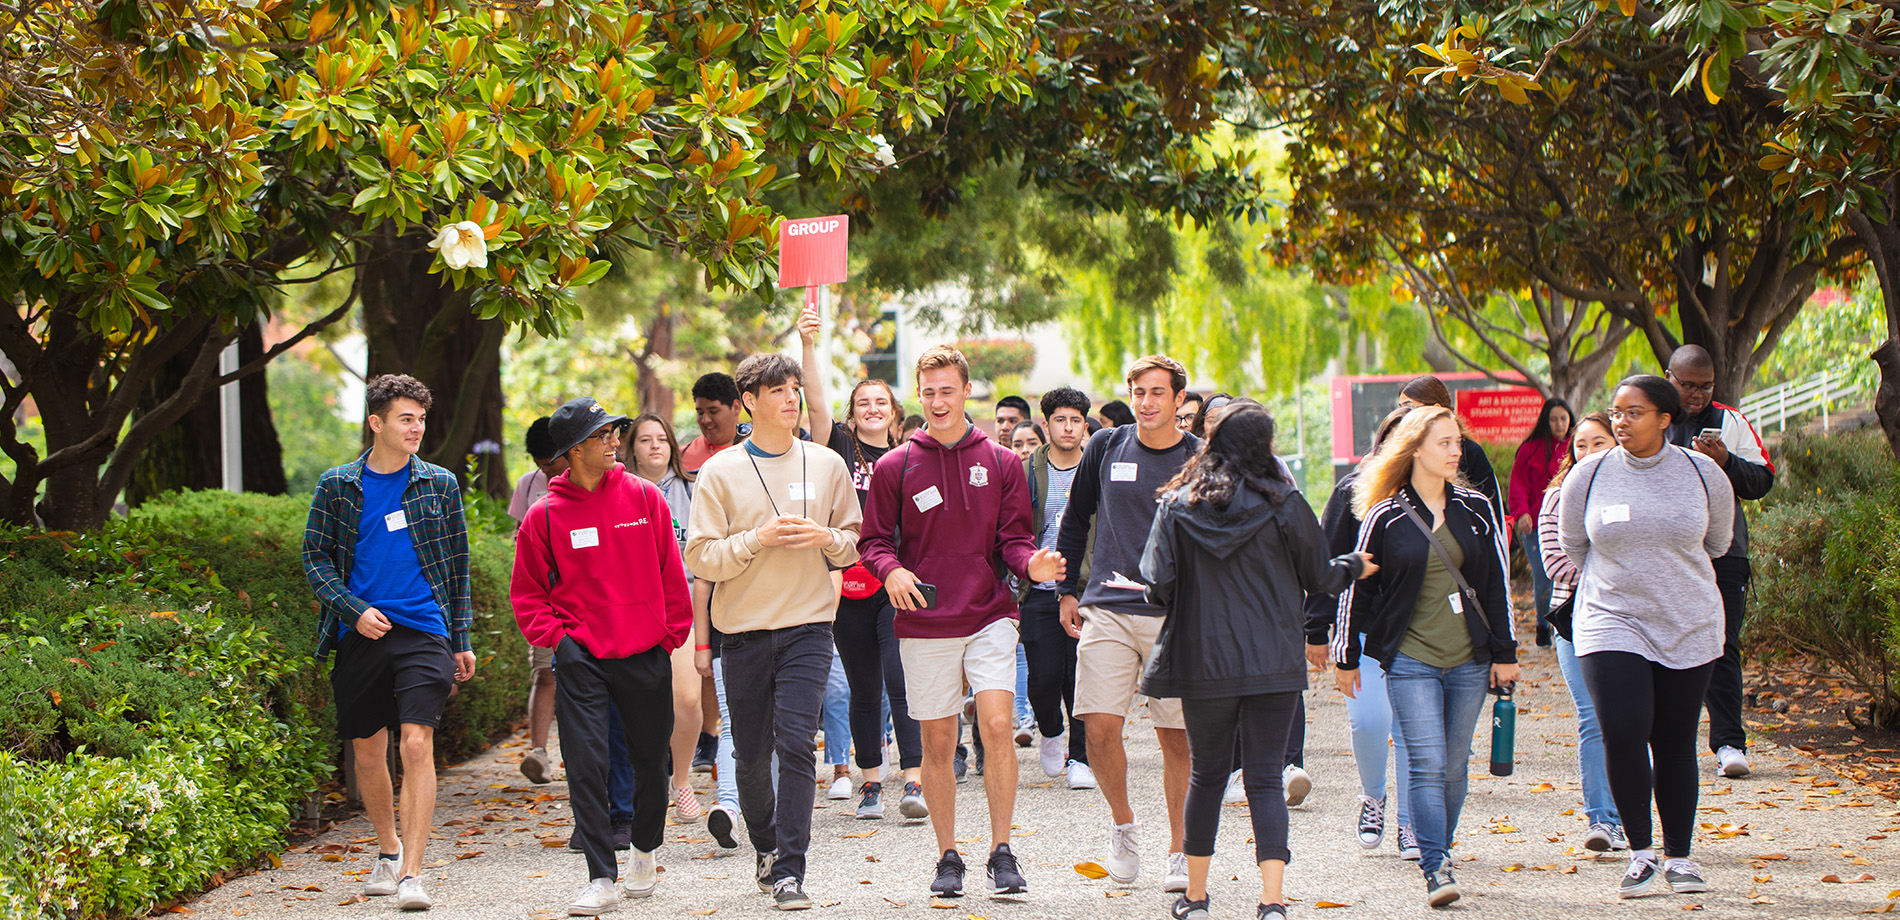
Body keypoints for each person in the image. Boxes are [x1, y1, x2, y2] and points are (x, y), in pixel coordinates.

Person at [1140, 402, 1375, 920]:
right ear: (1264, 446)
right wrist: (1353, 564)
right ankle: (1272, 901)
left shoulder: (1178, 505)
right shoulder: (1285, 503)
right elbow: (1320, 576)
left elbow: (1157, 587)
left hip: (1203, 663)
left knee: (1206, 774)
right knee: (1265, 778)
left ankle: (1196, 897)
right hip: (1273, 661)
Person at [858, 344, 1066, 900]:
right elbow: (872, 542)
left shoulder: (1000, 461)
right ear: (918, 395)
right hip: (923, 618)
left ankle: (1002, 850)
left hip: (989, 613)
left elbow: (1016, 540)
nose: (937, 401)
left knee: (998, 724)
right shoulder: (895, 466)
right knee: (939, 740)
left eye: (947, 390)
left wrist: (1034, 565)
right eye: (928, 392)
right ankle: (948, 856)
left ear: (966, 390)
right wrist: (892, 571)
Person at [685, 352, 862, 910]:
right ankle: (764, 843)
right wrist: (757, 540)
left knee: (795, 745)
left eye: (795, 388)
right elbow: (702, 558)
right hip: (742, 632)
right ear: (749, 402)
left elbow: (854, 542)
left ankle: (790, 868)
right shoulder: (719, 471)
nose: (792, 398)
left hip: (809, 626)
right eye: (778, 389)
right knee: (751, 757)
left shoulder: (827, 464)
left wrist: (825, 540)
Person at [511, 397, 693, 916]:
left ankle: (644, 850)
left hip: (645, 651)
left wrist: (668, 634)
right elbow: (527, 594)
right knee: (586, 765)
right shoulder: (544, 514)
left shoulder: (644, 498)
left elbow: (670, 571)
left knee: (650, 765)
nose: (615, 440)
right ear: (572, 450)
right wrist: (561, 641)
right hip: (583, 656)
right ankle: (600, 876)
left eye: (615, 431)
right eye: (602, 434)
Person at [1334, 405, 1518, 909]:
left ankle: (1441, 844)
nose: (1457, 452)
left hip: (1470, 659)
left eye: (1458, 442)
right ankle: (1436, 864)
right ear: (1415, 449)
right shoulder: (1385, 515)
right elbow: (1358, 588)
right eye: (1445, 443)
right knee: (1426, 760)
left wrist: (1506, 652)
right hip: (1410, 658)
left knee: (1455, 766)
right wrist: (1345, 653)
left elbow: (1496, 585)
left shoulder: (1477, 509)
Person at [302, 374, 474, 912]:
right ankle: (388, 850)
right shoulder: (337, 485)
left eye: (421, 418)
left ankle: (414, 876)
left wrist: (461, 639)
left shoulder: (440, 485)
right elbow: (315, 559)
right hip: (361, 632)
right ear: (376, 423)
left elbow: (457, 567)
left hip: (425, 629)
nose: (417, 427)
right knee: (367, 752)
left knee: (417, 744)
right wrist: (353, 612)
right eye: (406, 418)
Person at [1559, 376, 1733, 899]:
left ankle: (1679, 857)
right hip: (1610, 620)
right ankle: (1638, 854)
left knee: (1675, 741)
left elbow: (1718, 542)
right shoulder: (1587, 476)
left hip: (1687, 622)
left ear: (1665, 418)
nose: (1621, 421)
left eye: (1634, 412)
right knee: (1625, 732)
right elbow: (1574, 545)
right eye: (1616, 412)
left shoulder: (1703, 474)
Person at [1056, 355, 1199, 892]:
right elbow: (1076, 520)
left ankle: (1182, 848)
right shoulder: (1105, 446)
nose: (1146, 402)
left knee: (1177, 739)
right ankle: (1124, 829)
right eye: (1138, 391)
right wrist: (1066, 590)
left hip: (1174, 616)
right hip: (1107, 606)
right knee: (1097, 728)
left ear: (1179, 401)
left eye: (1158, 393)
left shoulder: (1200, 459)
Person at [796, 307, 927, 821]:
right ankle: (870, 780)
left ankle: (913, 780)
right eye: (862, 403)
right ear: (852, 414)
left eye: (881, 402)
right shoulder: (840, 449)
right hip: (848, 583)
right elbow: (816, 402)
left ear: (894, 413)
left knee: (902, 679)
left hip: (897, 583)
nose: (872, 408)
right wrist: (809, 344)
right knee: (863, 686)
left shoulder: (912, 454)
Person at [1304, 408, 1416, 859]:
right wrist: (1316, 626)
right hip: (1366, 628)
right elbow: (1326, 560)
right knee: (1370, 722)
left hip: (1423, 634)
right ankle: (1374, 796)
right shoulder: (1353, 488)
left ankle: (1411, 820)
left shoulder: (1451, 498)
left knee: (1413, 729)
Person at [1664, 345, 1775, 779]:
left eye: (1705, 386)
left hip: (1725, 551)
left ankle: (1729, 743)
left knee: (1723, 645)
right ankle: (1665, 740)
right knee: (1665, 647)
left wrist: (1726, 461)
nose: (1696, 394)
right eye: (1688, 384)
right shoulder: (1652, 416)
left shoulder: (1730, 420)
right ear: (1668, 376)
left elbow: (1763, 479)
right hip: (1666, 554)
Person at [1536, 411, 1626, 853]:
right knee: (1594, 716)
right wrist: (1617, 571)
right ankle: (1602, 819)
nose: (1588, 452)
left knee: (1632, 720)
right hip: (1575, 620)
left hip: (1632, 621)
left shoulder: (1634, 490)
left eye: (1599, 443)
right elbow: (1556, 564)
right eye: (1581, 445)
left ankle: (1634, 817)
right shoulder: (1557, 498)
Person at [625, 413, 706, 822]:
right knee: (640, 702)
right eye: (645, 440)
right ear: (631, 448)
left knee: (688, 698)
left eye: (662, 439)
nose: (655, 446)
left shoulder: (694, 490)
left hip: (684, 604)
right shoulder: (620, 492)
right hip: (632, 608)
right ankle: (645, 781)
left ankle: (683, 779)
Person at [1019, 387, 1096, 790]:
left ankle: (1079, 757)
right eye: (1060, 420)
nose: (1068, 428)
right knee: (1044, 678)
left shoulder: (1097, 467)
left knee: (1081, 677)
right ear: (1046, 424)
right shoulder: (1025, 470)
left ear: (1085, 424)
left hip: (1087, 589)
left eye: (1076, 420)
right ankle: (1050, 730)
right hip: (1039, 589)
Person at [508, 417, 564, 785]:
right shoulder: (528, 486)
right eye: (540, 464)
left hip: (582, 597)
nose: (546, 470)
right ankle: (539, 752)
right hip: (546, 599)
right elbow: (519, 540)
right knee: (544, 673)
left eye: (551, 462)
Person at [1396, 376, 1503, 530]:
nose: (1454, 453)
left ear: (1437, 409)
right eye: (1400, 407)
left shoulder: (1470, 453)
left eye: (1409, 407)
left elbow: (1492, 517)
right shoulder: (1387, 514)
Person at [1508, 398, 1573, 646]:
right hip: (1537, 527)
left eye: (1563, 419)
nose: (1559, 424)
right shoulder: (1529, 449)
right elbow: (1518, 485)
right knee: (1544, 578)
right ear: (1546, 421)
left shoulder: (1576, 446)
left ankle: (1566, 628)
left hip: (1572, 525)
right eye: (1554, 419)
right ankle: (1542, 626)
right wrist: (1521, 513)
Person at [683, 372, 745, 473]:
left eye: (713, 411)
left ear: (736, 407)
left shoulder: (759, 451)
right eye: (700, 412)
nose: (706, 420)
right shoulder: (682, 456)